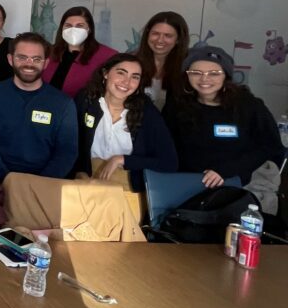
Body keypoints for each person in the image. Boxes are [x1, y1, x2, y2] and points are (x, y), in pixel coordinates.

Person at [163, 46, 282, 197]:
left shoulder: (248, 105)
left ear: (226, 75)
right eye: (196, 73)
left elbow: (269, 146)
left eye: (214, 73)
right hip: (187, 185)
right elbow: (166, 145)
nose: (204, 79)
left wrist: (225, 171)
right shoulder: (176, 104)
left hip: (237, 185)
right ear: (187, 75)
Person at [0, 33, 77, 181]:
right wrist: (7, 178)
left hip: (44, 181)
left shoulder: (63, 103)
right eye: (22, 57)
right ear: (10, 59)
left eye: (36, 59)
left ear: (46, 63)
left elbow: (67, 151)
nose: (29, 64)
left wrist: (39, 183)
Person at [74, 53, 177, 191]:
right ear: (105, 73)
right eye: (121, 73)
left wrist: (121, 159)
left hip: (128, 186)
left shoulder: (146, 111)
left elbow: (169, 163)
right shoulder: (85, 101)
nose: (126, 82)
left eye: (135, 77)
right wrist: (79, 172)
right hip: (87, 182)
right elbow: (68, 145)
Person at [43, 6, 118, 98]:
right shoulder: (48, 52)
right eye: (68, 25)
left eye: (79, 26)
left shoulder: (107, 56)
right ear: (62, 28)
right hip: (45, 107)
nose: (73, 29)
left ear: (89, 29)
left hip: (83, 110)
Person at [135, 11, 190, 111]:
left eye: (168, 36)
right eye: (155, 34)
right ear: (147, 34)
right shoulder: (131, 62)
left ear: (178, 39)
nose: (160, 40)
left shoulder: (188, 67)